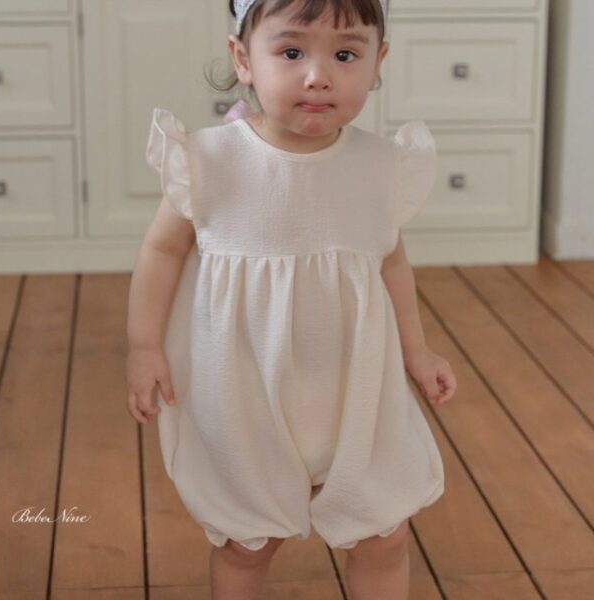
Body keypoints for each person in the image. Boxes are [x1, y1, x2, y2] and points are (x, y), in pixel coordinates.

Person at [126, 0, 457, 598]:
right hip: (244, 391)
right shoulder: (209, 161)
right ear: (243, 59)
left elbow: (391, 262)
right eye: (292, 51)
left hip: (355, 391)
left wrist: (418, 351)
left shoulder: (379, 165)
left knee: (384, 536)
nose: (318, 75)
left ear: (378, 63)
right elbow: (163, 251)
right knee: (247, 543)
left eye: (346, 54)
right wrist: (144, 345)